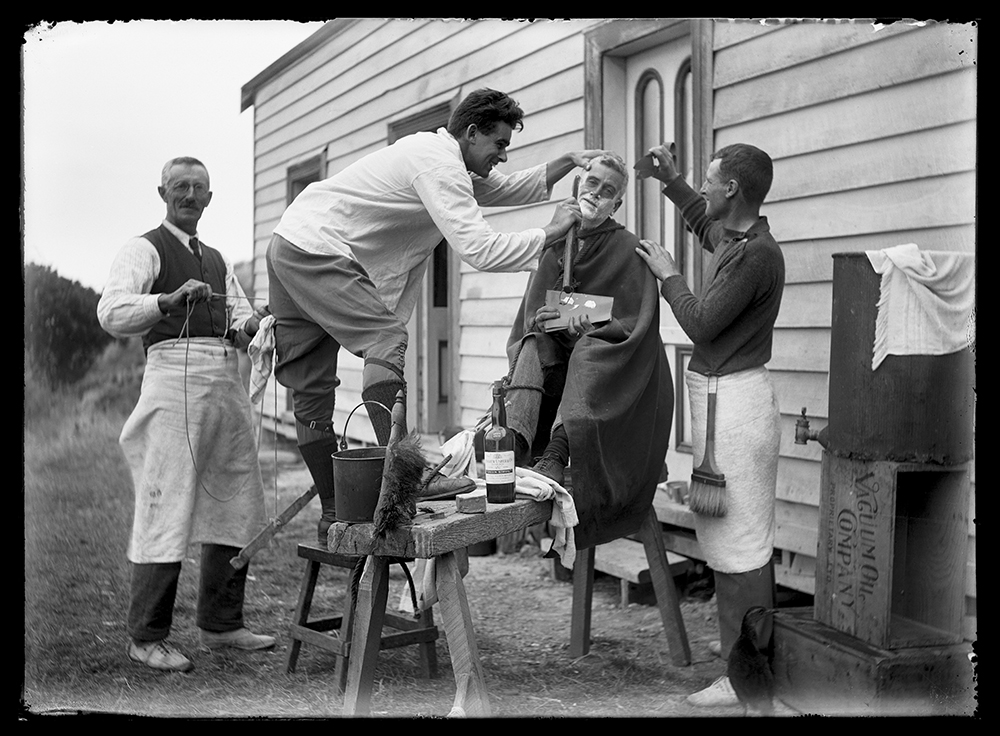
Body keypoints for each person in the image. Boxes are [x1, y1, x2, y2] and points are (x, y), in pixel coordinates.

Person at [266, 88, 604, 547]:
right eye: (499, 145)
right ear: (470, 132)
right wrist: (551, 231)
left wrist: (566, 161)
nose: (503, 156)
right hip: (319, 247)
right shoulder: (439, 164)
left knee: (310, 392)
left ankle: (334, 512)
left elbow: (500, 189)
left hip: (290, 242)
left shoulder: (442, 156)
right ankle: (404, 484)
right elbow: (480, 249)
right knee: (386, 338)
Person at [97, 157, 275, 673]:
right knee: (166, 500)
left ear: (211, 198)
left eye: (199, 188)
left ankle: (221, 624)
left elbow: (239, 321)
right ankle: (145, 636)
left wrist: (256, 328)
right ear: (163, 192)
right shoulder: (144, 248)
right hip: (173, 379)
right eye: (181, 187)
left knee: (238, 497)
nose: (190, 195)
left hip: (223, 384)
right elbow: (111, 311)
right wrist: (166, 300)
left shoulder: (217, 260)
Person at [635, 142, 784, 707]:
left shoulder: (756, 256)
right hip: (725, 408)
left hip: (739, 415)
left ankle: (747, 678)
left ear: (732, 190)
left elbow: (700, 323)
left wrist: (669, 275)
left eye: (707, 179)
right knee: (727, 541)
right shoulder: (740, 238)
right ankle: (743, 670)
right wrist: (670, 182)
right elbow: (704, 224)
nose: (702, 186)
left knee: (742, 545)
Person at [503, 151, 673, 551]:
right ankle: (513, 448)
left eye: (608, 190)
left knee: (589, 350)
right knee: (532, 345)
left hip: (611, 382)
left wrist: (596, 326)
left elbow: (636, 327)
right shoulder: (556, 243)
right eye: (592, 183)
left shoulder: (631, 251)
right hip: (556, 380)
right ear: (579, 185)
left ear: (618, 203)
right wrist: (548, 322)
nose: (596, 193)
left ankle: (556, 456)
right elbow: (531, 321)